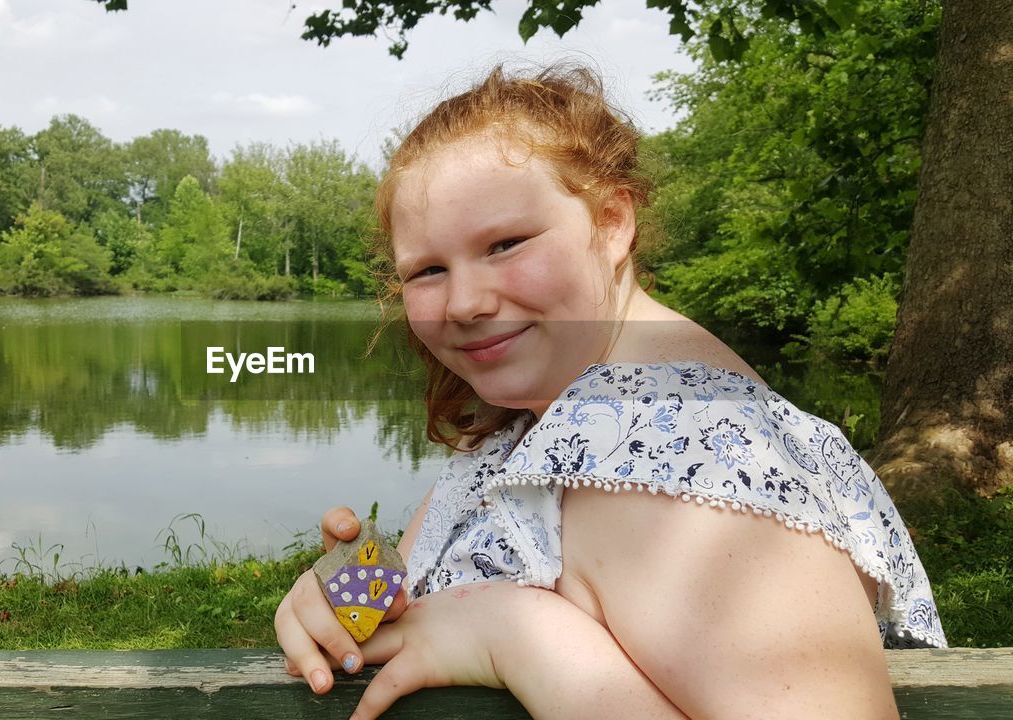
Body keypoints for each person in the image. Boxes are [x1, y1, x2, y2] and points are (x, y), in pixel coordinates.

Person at [274, 62, 946, 720]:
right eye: (427, 270)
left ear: (613, 221)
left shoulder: (676, 446)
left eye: (506, 243)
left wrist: (515, 636)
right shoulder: (561, 415)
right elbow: (424, 595)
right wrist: (341, 601)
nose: (465, 302)